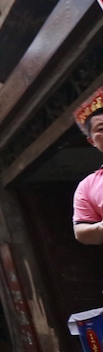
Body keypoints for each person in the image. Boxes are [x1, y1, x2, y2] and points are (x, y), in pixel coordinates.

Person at [72, 88, 103, 245]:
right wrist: (101, 228)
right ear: (92, 141)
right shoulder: (87, 186)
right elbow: (80, 231)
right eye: (101, 129)